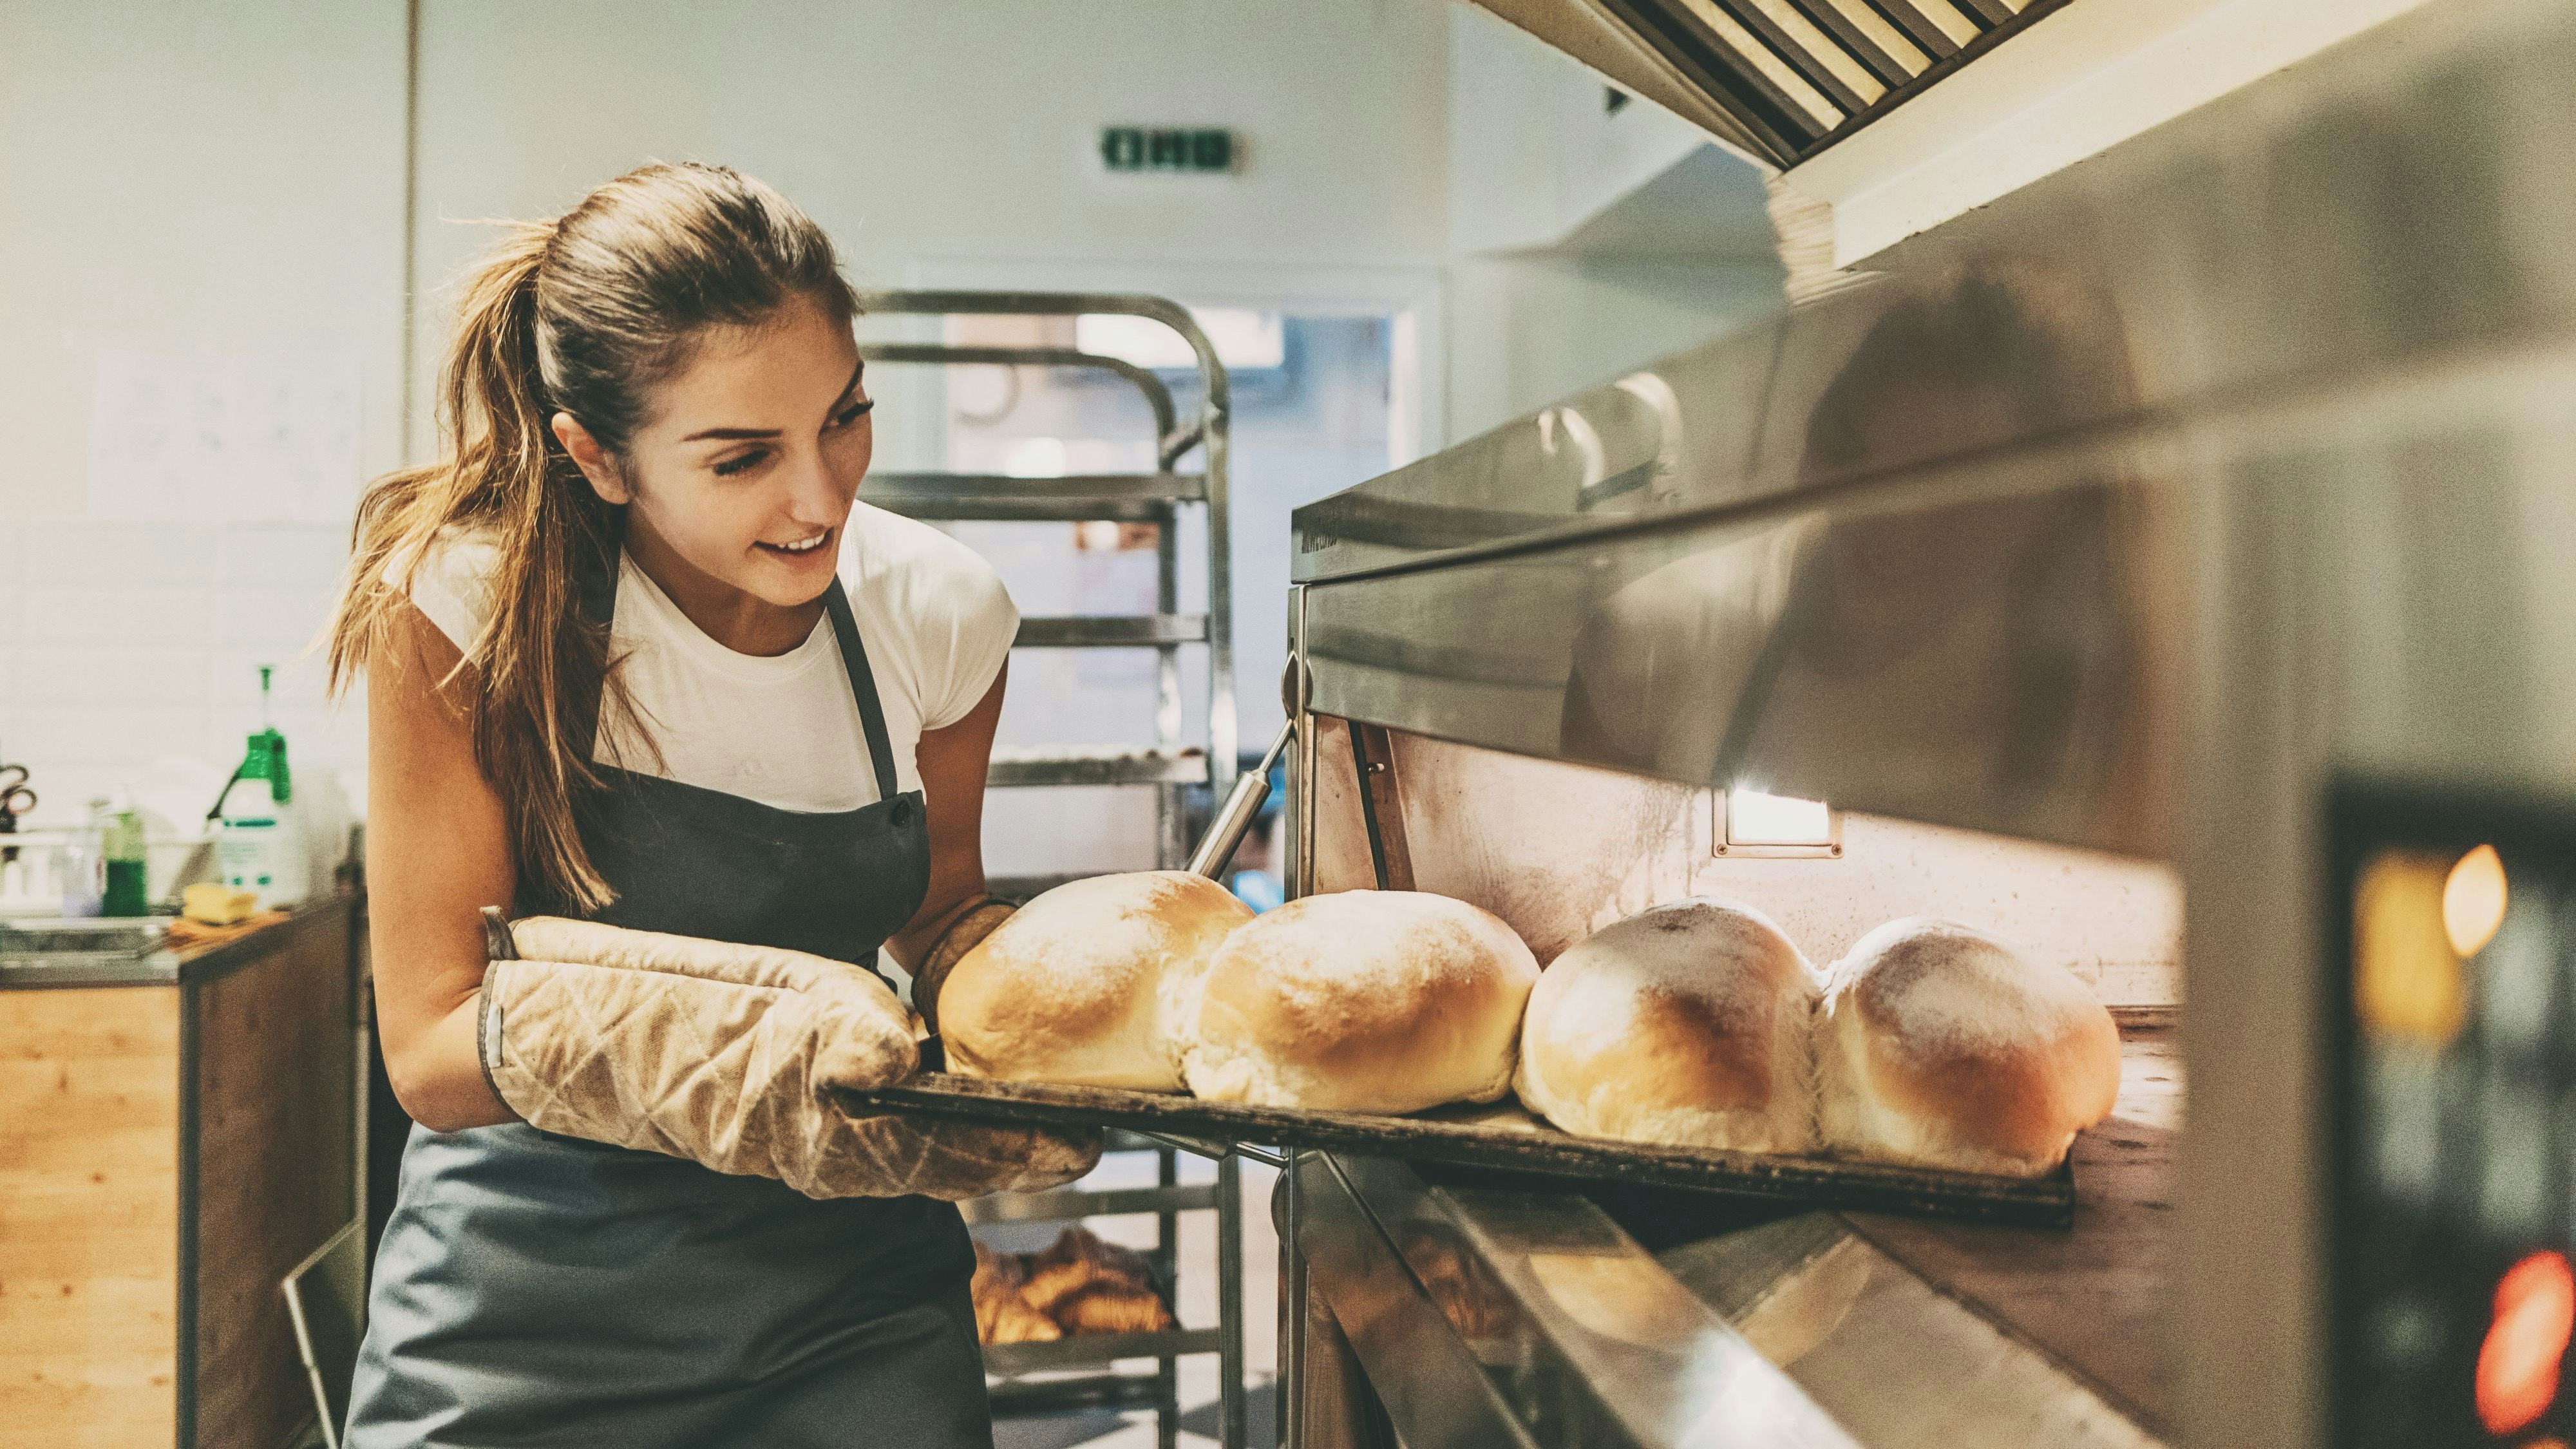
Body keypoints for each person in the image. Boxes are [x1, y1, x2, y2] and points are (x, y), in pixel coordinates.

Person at [327, 162, 1090, 1448]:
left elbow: (939, 911)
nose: (821, 496)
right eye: (742, 457)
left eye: (843, 419)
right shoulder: (465, 608)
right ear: (597, 455)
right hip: (530, 1307)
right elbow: (433, 1050)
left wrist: (1070, 1015)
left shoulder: (938, 610)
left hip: (854, 1309)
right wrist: (749, 1053)